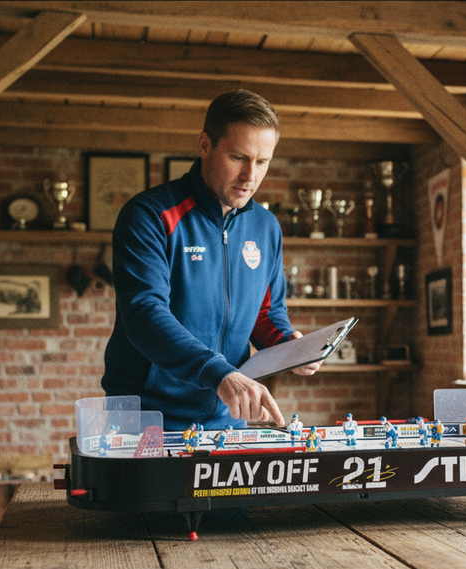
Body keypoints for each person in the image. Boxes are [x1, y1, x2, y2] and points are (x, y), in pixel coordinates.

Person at [102, 90, 319, 430]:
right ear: (205, 145)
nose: (251, 176)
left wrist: (289, 346)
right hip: (146, 417)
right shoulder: (149, 215)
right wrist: (218, 372)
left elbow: (266, 313)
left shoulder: (266, 227)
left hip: (225, 417)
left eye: (262, 162)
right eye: (238, 157)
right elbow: (144, 313)